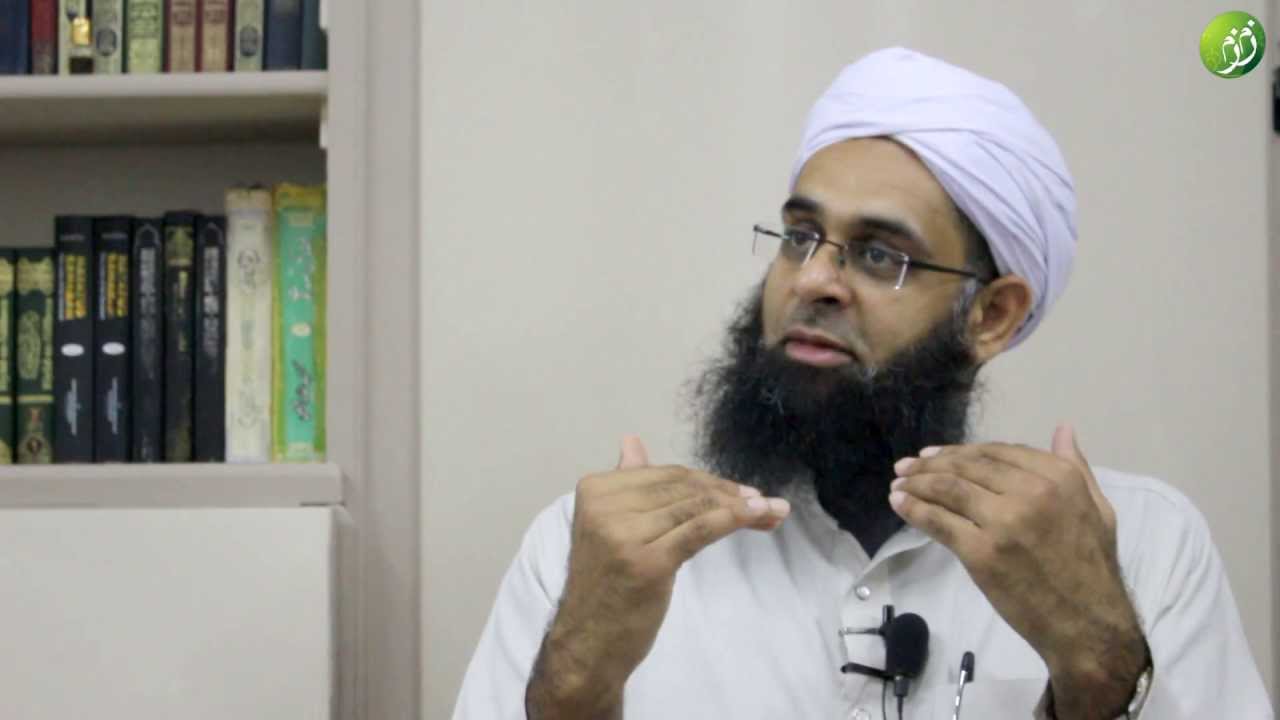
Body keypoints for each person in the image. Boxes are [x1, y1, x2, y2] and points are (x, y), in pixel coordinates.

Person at [452, 47, 1271, 719]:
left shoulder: (1143, 550)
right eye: (799, 237)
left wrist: (1098, 663)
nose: (813, 280)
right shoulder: (595, 551)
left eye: (880, 255)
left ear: (991, 315)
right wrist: (576, 681)